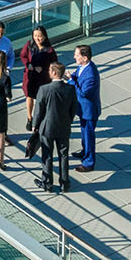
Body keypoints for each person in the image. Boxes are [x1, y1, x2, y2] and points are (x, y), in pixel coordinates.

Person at [32, 62, 79, 193]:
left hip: (47, 127)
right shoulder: (70, 89)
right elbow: (73, 108)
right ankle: (65, 183)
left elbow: (39, 110)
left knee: (47, 155)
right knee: (63, 155)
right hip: (63, 126)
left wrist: (35, 124)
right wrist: (68, 121)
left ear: (53, 73)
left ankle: (47, 183)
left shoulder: (44, 89)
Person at [18, 26, 57, 133]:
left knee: (41, 100)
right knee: (29, 96)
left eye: (39, 36)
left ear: (44, 36)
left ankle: (40, 119)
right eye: (35, 36)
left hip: (43, 78)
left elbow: (54, 65)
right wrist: (28, 64)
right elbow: (23, 56)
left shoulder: (50, 50)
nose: (37, 38)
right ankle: (29, 118)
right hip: (30, 76)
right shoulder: (29, 44)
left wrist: (44, 69)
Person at [71, 45, 102, 172]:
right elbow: (76, 75)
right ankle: (85, 152)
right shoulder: (83, 67)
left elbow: (84, 92)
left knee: (88, 136)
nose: (74, 57)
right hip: (83, 110)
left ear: (85, 57)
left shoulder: (91, 75)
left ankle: (88, 163)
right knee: (84, 134)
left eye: (77, 55)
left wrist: (70, 82)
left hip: (89, 111)